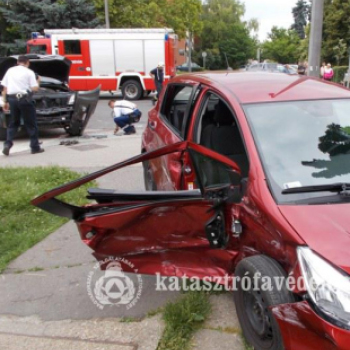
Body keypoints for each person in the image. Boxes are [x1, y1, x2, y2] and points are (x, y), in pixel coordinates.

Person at [2, 55, 44, 156]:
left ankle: (7, 144)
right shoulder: (29, 72)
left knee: (13, 123)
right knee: (31, 123)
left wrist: (5, 102)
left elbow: (5, 88)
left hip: (12, 99)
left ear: (17, 62)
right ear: (27, 62)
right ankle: (35, 147)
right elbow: (34, 89)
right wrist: (38, 82)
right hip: (24, 99)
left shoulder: (10, 71)